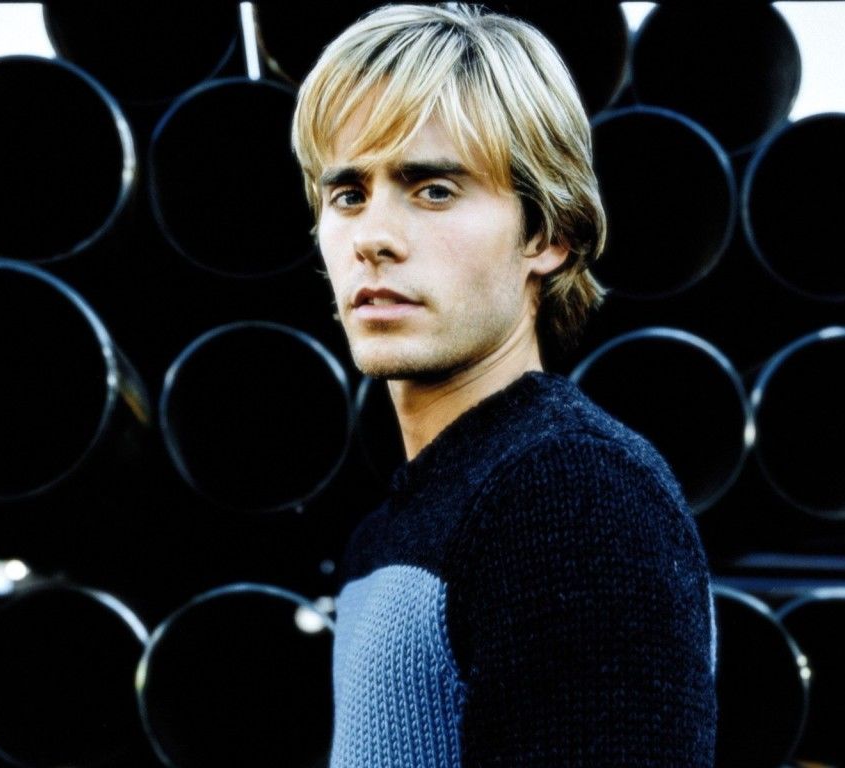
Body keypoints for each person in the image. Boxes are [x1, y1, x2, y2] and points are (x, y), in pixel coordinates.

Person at [291, 4, 717, 766]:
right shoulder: (389, 529)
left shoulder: (575, 495)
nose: (373, 238)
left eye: (433, 189)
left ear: (548, 233)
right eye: (349, 194)